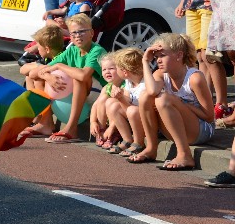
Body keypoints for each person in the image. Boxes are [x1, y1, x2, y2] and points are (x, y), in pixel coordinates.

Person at [26, 14, 105, 143]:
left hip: (101, 95)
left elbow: (83, 75)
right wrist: (48, 76)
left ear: (91, 33)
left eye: (82, 32)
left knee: (78, 78)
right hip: (82, 92)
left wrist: (59, 65)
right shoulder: (72, 50)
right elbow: (34, 73)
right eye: (74, 33)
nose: (78, 36)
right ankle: (46, 124)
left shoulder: (96, 50)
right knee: (43, 78)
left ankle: (72, 129)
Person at [140, 34, 214, 171]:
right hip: (176, 129)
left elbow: (209, 116)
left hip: (201, 130)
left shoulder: (194, 78)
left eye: (162, 56)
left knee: (163, 99)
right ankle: (151, 148)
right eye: (156, 57)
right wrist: (145, 61)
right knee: (145, 97)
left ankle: (185, 155)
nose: (158, 61)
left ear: (179, 56)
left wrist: (182, 104)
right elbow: (150, 92)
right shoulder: (160, 74)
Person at [17, 24, 66, 138]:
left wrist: (38, 69)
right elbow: (23, 69)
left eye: (38, 47)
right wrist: (38, 66)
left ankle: (45, 123)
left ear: (47, 49)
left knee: (37, 79)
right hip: (56, 94)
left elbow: (34, 73)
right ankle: (39, 117)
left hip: (62, 95)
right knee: (29, 77)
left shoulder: (60, 58)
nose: (37, 50)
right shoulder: (46, 58)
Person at [106, 48, 149, 160]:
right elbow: (127, 101)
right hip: (134, 116)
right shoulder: (129, 81)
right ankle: (127, 139)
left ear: (125, 72)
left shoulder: (145, 85)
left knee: (132, 110)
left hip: (148, 122)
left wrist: (121, 99)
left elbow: (132, 110)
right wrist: (119, 96)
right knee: (112, 103)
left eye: (117, 68)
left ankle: (139, 142)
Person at [90, 51, 123, 149]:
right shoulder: (107, 87)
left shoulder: (124, 86)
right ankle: (102, 129)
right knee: (102, 99)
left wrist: (112, 127)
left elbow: (122, 109)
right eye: (104, 69)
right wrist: (93, 122)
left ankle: (113, 133)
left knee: (113, 103)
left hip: (120, 122)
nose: (107, 72)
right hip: (107, 122)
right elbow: (95, 105)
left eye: (111, 68)